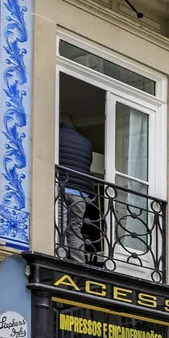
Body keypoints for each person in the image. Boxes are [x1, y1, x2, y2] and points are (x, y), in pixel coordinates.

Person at [57, 112, 94, 261]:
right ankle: (79, 261)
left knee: (60, 224)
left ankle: (60, 256)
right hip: (81, 192)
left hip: (63, 186)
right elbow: (87, 164)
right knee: (75, 228)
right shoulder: (86, 142)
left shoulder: (57, 135)